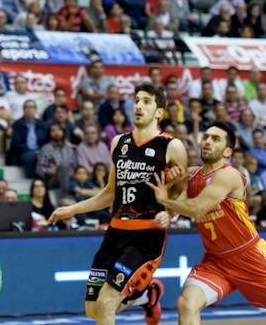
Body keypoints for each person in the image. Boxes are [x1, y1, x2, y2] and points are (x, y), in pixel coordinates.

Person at [148, 122, 266, 325]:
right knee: (186, 303)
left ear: (227, 151)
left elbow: (196, 208)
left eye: (215, 139)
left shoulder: (228, 175)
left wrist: (164, 200)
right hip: (216, 261)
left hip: (249, 257)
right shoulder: (192, 175)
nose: (208, 142)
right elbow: (177, 205)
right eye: (206, 137)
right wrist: (170, 189)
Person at [49, 84, 187, 325]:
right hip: (115, 232)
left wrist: (170, 213)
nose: (139, 106)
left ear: (159, 112)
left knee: (106, 303)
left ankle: (143, 295)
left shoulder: (171, 146)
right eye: (136, 100)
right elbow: (108, 194)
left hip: (147, 235)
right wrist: (70, 209)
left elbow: (183, 193)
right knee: (93, 310)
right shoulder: (118, 143)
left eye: (146, 101)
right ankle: (147, 297)